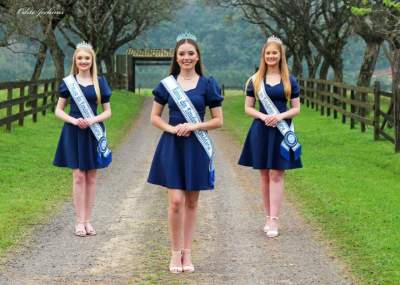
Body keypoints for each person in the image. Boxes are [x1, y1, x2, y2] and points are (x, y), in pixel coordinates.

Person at [147, 32, 223, 273]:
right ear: (176, 57)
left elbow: (218, 121)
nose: (186, 57)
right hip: (173, 146)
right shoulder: (167, 84)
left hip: (197, 146)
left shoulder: (208, 84)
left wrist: (195, 125)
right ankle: (174, 253)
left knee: (191, 201)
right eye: (182, 54)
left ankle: (187, 254)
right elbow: (154, 117)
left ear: (197, 56)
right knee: (176, 201)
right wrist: (172, 128)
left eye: (191, 53)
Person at [238, 35, 302, 238]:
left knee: (277, 173)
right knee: (264, 174)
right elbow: (248, 108)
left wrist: (279, 116)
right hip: (261, 130)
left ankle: (275, 219)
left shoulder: (289, 80)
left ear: (281, 55)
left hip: (282, 131)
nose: (271, 56)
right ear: (263, 56)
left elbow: (296, 108)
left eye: (275, 52)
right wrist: (263, 116)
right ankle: (267, 216)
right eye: (268, 53)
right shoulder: (255, 80)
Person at [53, 42, 112, 237]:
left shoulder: (100, 83)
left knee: (92, 177)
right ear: (75, 61)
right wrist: (73, 120)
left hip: (93, 131)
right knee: (78, 176)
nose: (84, 61)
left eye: (87, 58)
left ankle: (88, 220)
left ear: (92, 60)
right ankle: (79, 222)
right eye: (80, 58)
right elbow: (58, 110)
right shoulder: (69, 82)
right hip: (74, 131)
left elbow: (108, 112)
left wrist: (93, 119)